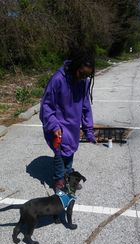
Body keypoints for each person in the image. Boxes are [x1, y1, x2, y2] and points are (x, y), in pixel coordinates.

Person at [39, 52, 96, 191]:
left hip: (72, 126)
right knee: (59, 154)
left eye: (87, 76)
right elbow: (46, 105)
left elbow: (85, 106)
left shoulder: (83, 82)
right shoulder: (58, 79)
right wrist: (53, 125)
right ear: (76, 67)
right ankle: (59, 181)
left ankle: (69, 177)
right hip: (57, 125)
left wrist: (88, 130)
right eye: (82, 73)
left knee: (70, 152)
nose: (84, 78)